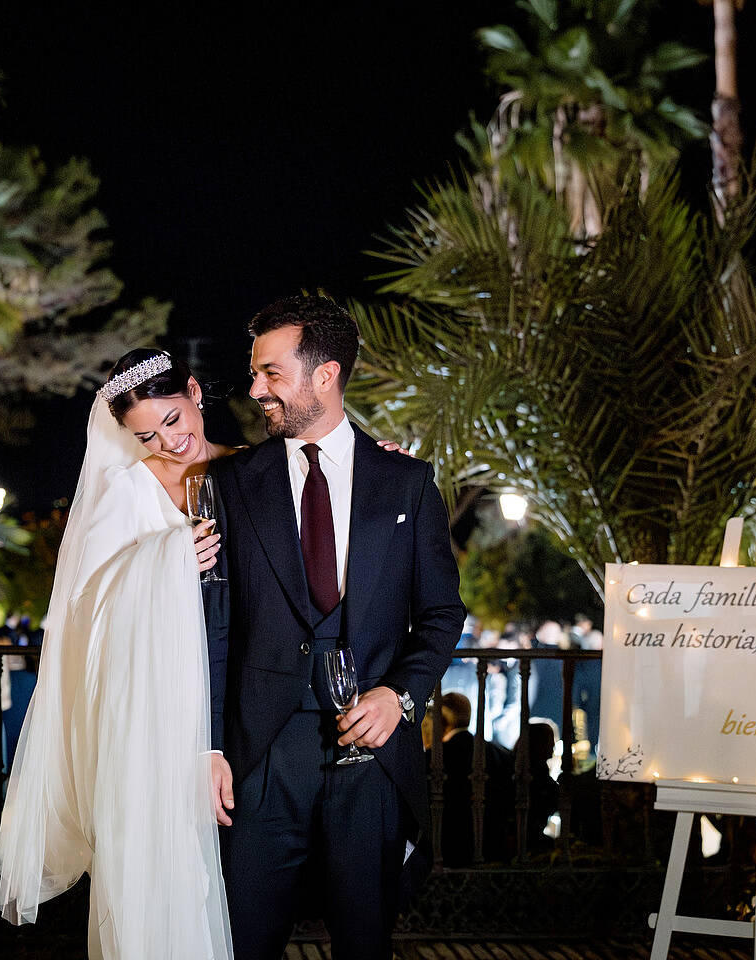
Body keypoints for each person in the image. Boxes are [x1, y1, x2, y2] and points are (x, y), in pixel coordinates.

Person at [211, 295, 463, 960]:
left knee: (363, 943)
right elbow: (214, 629)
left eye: (271, 373)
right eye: (255, 373)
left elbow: (442, 613)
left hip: (370, 756)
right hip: (261, 759)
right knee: (245, 942)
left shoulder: (406, 482)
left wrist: (399, 695)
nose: (255, 389)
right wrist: (210, 747)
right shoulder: (233, 482)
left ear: (325, 376)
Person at [0, 348, 234, 959]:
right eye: (147, 436)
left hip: (238, 701)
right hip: (152, 721)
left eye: (173, 420)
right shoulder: (127, 491)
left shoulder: (247, 470)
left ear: (195, 392)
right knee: (157, 879)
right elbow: (86, 608)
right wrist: (169, 560)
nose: (170, 443)